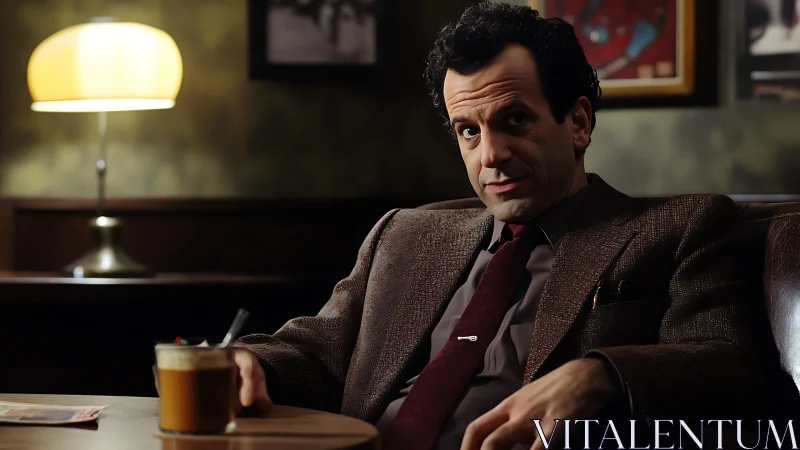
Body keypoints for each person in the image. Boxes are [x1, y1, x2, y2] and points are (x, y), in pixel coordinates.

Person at [226, 2, 800, 449]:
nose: (491, 155)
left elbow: (731, 364)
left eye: (515, 120)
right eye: (468, 131)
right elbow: (316, 351)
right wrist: (249, 362)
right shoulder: (403, 236)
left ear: (578, 123)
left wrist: (602, 375)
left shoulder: (679, 227)